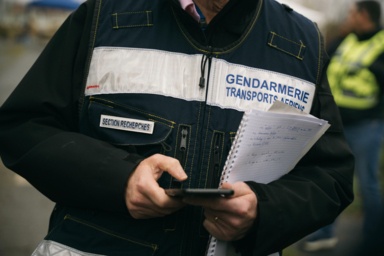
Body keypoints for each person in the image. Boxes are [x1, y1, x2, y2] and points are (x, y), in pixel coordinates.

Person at [0, 0, 354, 255]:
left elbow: (330, 177)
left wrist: (263, 211)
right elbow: (24, 126)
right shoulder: (103, 14)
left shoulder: (302, 43)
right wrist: (118, 179)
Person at [303, 1, 384, 253]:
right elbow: (325, 61)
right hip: (338, 125)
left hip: (367, 126)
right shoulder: (346, 40)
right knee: (332, 180)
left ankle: (374, 241)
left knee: (367, 185)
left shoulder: (381, 44)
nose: (349, 16)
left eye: (352, 12)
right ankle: (325, 234)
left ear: (364, 15)